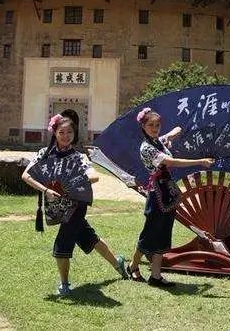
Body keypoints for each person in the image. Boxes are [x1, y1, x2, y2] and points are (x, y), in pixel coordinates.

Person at [22, 114, 128, 296]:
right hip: (55, 204)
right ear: (54, 133)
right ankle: (118, 263)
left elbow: (94, 176)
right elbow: (26, 176)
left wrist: (71, 183)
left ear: (75, 134)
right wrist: (46, 190)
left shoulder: (78, 157)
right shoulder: (43, 154)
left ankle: (64, 285)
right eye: (61, 132)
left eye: (69, 132)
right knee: (89, 237)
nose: (65, 136)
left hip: (76, 204)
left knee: (62, 243)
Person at [127, 107, 214, 287]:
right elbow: (171, 162)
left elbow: (169, 136)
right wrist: (199, 161)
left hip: (168, 192)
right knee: (150, 232)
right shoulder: (147, 148)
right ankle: (133, 265)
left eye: (157, 125)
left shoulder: (159, 141)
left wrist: (177, 130)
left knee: (164, 232)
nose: (154, 128)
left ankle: (156, 275)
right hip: (156, 193)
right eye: (150, 125)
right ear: (143, 126)